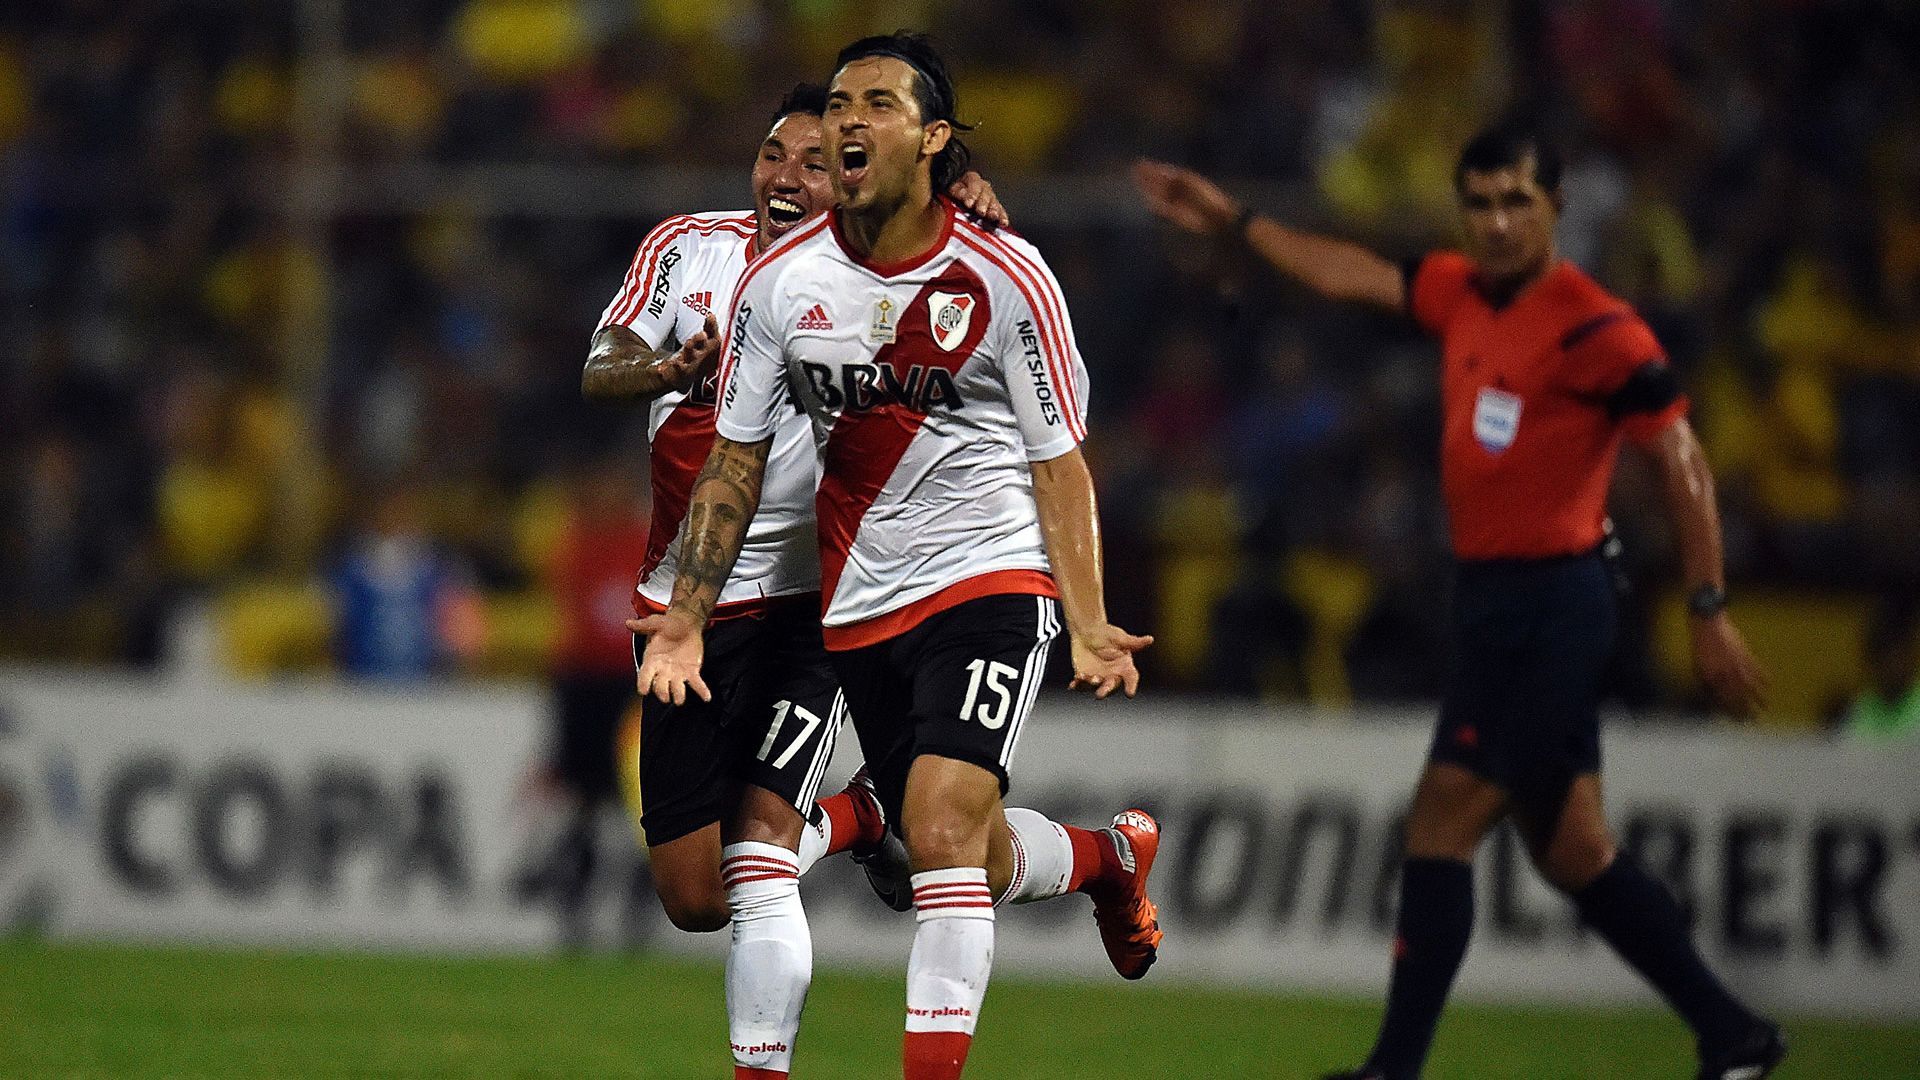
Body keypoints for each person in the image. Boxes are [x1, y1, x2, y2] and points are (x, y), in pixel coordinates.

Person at [1136, 124, 1784, 1080]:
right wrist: (1236, 219)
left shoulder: (1598, 327)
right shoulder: (1459, 293)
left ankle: (1394, 1070)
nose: (1496, 222)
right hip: (1490, 601)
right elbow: (1344, 272)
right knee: (1575, 855)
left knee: (1439, 821)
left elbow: (1681, 458)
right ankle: (1736, 1035)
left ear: (1557, 206)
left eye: (1517, 201)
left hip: (1555, 604)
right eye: (1479, 203)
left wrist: (1706, 605)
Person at [636, 34, 1163, 1080]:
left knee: (929, 829)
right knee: (944, 844)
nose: (847, 118)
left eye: (877, 101)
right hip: (861, 598)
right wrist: (688, 613)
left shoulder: (1004, 274)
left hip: (990, 578)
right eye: (839, 101)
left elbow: (1059, 463)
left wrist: (1089, 614)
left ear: (932, 138)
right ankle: (1107, 859)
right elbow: (733, 463)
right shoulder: (783, 283)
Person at [585, 83, 1010, 1080]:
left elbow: (974, 312)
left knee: (763, 855)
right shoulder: (686, 245)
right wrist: (652, 371)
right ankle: (864, 815)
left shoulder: (886, 274)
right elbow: (602, 358)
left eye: (817, 163)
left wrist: (976, 207)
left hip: (814, 605)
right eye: (775, 154)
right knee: (693, 894)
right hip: (684, 601)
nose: (787, 176)